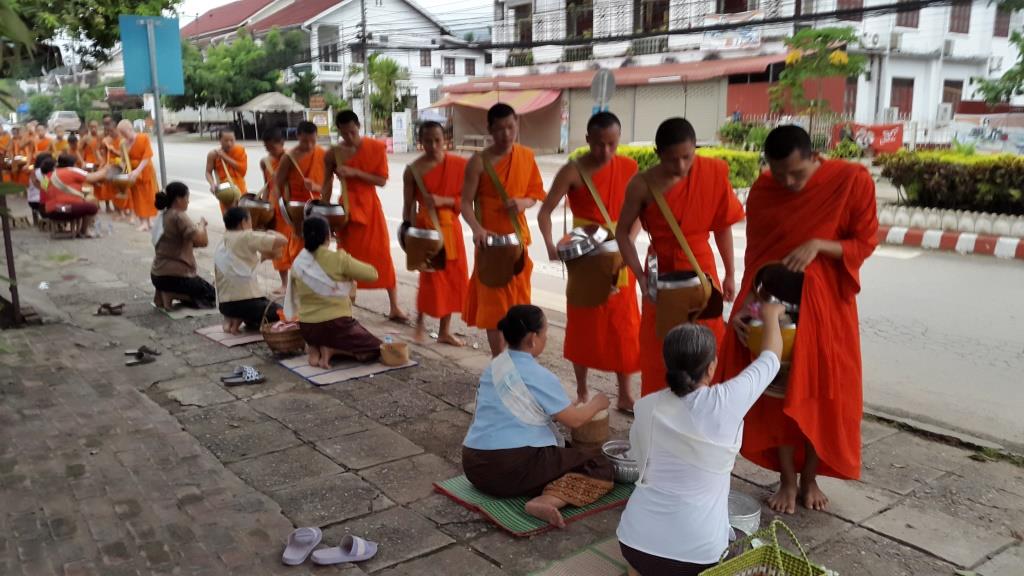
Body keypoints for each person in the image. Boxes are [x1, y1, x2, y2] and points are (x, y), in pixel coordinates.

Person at [717, 125, 879, 514]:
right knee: (776, 396)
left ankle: (811, 478)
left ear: (813, 157)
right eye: (779, 173)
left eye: (797, 174)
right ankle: (787, 479)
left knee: (820, 394)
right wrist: (744, 307)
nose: (788, 183)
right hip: (773, 308)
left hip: (826, 312)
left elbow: (865, 242)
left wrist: (819, 245)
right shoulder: (764, 191)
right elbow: (757, 256)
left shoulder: (849, 180)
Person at [616, 303, 786, 576]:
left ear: (667, 364)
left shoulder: (646, 406)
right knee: (747, 546)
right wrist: (770, 315)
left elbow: (640, 461)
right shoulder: (726, 401)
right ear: (711, 368)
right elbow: (771, 358)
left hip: (634, 543)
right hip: (698, 556)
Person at [616, 117, 744, 397]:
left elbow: (722, 226)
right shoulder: (642, 185)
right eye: (672, 160)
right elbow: (623, 233)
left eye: (688, 157)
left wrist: (730, 273)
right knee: (660, 347)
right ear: (658, 154)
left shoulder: (712, 173)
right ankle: (661, 412)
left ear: (696, 148)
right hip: (662, 275)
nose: (682, 166)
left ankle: (706, 406)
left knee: (708, 343)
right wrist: (639, 276)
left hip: (702, 270)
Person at [462, 305, 615, 529]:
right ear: (533, 339)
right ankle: (546, 500)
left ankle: (543, 489)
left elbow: (523, 410)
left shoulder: (495, 366)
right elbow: (575, 420)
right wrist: (597, 403)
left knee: (567, 453)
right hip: (508, 469)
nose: (546, 338)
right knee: (599, 464)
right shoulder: (538, 375)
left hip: (475, 466)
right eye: (545, 334)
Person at [538, 111, 641, 412]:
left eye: (612, 144)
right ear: (587, 140)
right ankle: (582, 392)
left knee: (624, 327)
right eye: (599, 144)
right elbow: (545, 213)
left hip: (618, 257)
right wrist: (549, 243)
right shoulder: (572, 171)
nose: (606, 151)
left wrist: (629, 241)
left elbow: (639, 213)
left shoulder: (629, 167)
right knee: (584, 326)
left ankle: (625, 394)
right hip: (584, 258)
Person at [461, 104, 546, 357]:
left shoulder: (526, 156)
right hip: (490, 247)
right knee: (494, 309)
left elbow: (535, 194)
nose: (506, 134)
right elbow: (465, 202)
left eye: (510, 127)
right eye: (499, 129)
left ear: (517, 123)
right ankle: (499, 362)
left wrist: (523, 202)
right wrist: (477, 229)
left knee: (519, 306)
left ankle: (517, 358)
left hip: (518, 245)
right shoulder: (478, 162)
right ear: (489, 130)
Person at [322, 110, 407, 322]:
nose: (349, 137)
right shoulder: (333, 153)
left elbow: (381, 180)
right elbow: (326, 184)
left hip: (370, 207)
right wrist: (325, 212)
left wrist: (355, 173)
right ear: (338, 131)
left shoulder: (375, 147)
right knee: (346, 258)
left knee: (381, 256)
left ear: (358, 126)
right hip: (347, 210)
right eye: (344, 134)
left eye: (352, 132)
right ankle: (347, 306)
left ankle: (394, 307)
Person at [401, 121, 469, 346]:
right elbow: (408, 205)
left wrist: (444, 200)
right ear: (420, 142)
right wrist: (407, 232)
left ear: (445, 140)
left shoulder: (458, 165)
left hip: (451, 230)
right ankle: (419, 323)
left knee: (452, 280)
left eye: (437, 140)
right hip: (426, 231)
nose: (433, 145)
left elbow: (467, 201)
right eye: (428, 141)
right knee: (429, 280)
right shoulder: (413, 170)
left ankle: (444, 331)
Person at [286, 216, 383, 368]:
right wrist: (347, 266)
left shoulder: (298, 262)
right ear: (328, 236)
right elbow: (373, 274)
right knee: (377, 348)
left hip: (307, 328)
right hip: (336, 326)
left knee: (322, 333)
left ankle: (315, 348)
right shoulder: (338, 259)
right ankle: (332, 350)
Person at [215, 207, 288, 334]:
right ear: (243, 222)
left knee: (258, 310)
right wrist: (271, 231)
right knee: (282, 313)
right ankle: (239, 317)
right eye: (250, 220)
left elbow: (238, 266)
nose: (251, 224)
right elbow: (283, 240)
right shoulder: (246, 236)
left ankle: (232, 318)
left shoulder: (222, 239)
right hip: (245, 303)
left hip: (224, 305)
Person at [151, 182, 216, 309]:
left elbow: (191, 242)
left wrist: (196, 229)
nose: (188, 201)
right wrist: (202, 225)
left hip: (157, 275)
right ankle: (171, 294)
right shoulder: (179, 216)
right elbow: (202, 241)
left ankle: (161, 292)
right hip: (174, 278)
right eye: (187, 197)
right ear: (178, 199)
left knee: (202, 288)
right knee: (211, 295)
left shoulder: (163, 215)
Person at [275, 121, 325, 274]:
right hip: (297, 209)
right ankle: (299, 276)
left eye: (313, 141)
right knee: (299, 242)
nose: (309, 146)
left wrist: (315, 187)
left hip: (317, 205)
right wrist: (284, 211)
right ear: (297, 136)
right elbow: (278, 184)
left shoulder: (322, 154)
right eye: (305, 141)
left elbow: (328, 185)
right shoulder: (289, 157)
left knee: (319, 244)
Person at [45, 153, 108, 238]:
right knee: (92, 206)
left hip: (49, 210)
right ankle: (84, 231)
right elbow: (93, 177)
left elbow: (43, 188)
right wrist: (107, 169)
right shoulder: (72, 170)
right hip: (64, 209)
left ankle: (81, 230)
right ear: (73, 164)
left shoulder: (49, 174)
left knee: (84, 203)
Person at [260, 129, 292, 294]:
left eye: (273, 147)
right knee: (278, 247)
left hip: (290, 206)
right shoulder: (265, 162)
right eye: (267, 148)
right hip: (274, 207)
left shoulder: (291, 159)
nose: (270, 151)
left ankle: (296, 284)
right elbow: (266, 185)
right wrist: (264, 207)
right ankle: (284, 283)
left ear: (282, 143)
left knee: (294, 246)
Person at [118, 119, 158, 231]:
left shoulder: (143, 138)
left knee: (149, 196)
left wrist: (138, 170)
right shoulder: (123, 144)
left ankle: (149, 221)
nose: (125, 136)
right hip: (133, 174)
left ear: (130, 129)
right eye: (122, 135)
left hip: (145, 170)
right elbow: (122, 160)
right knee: (138, 198)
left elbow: (147, 156)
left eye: (125, 133)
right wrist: (126, 171)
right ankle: (143, 222)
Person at [206, 129, 247, 212]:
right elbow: (208, 172)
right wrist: (212, 184)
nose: (229, 143)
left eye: (232, 140)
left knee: (243, 216)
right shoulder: (213, 154)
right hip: (225, 191)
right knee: (229, 218)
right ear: (220, 140)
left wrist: (224, 157)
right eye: (226, 141)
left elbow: (243, 170)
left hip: (240, 189)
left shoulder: (240, 151)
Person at [102, 115, 131, 217]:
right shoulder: (106, 140)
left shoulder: (122, 140)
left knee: (123, 189)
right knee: (113, 190)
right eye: (109, 131)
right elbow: (104, 154)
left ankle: (124, 209)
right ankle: (118, 210)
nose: (111, 133)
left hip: (122, 166)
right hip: (111, 166)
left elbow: (125, 155)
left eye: (112, 131)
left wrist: (114, 150)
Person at [27, 153, 53, 223]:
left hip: (31, 201)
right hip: (42, 203)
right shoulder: (47, 172)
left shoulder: (33, 172)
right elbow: (45, 188)